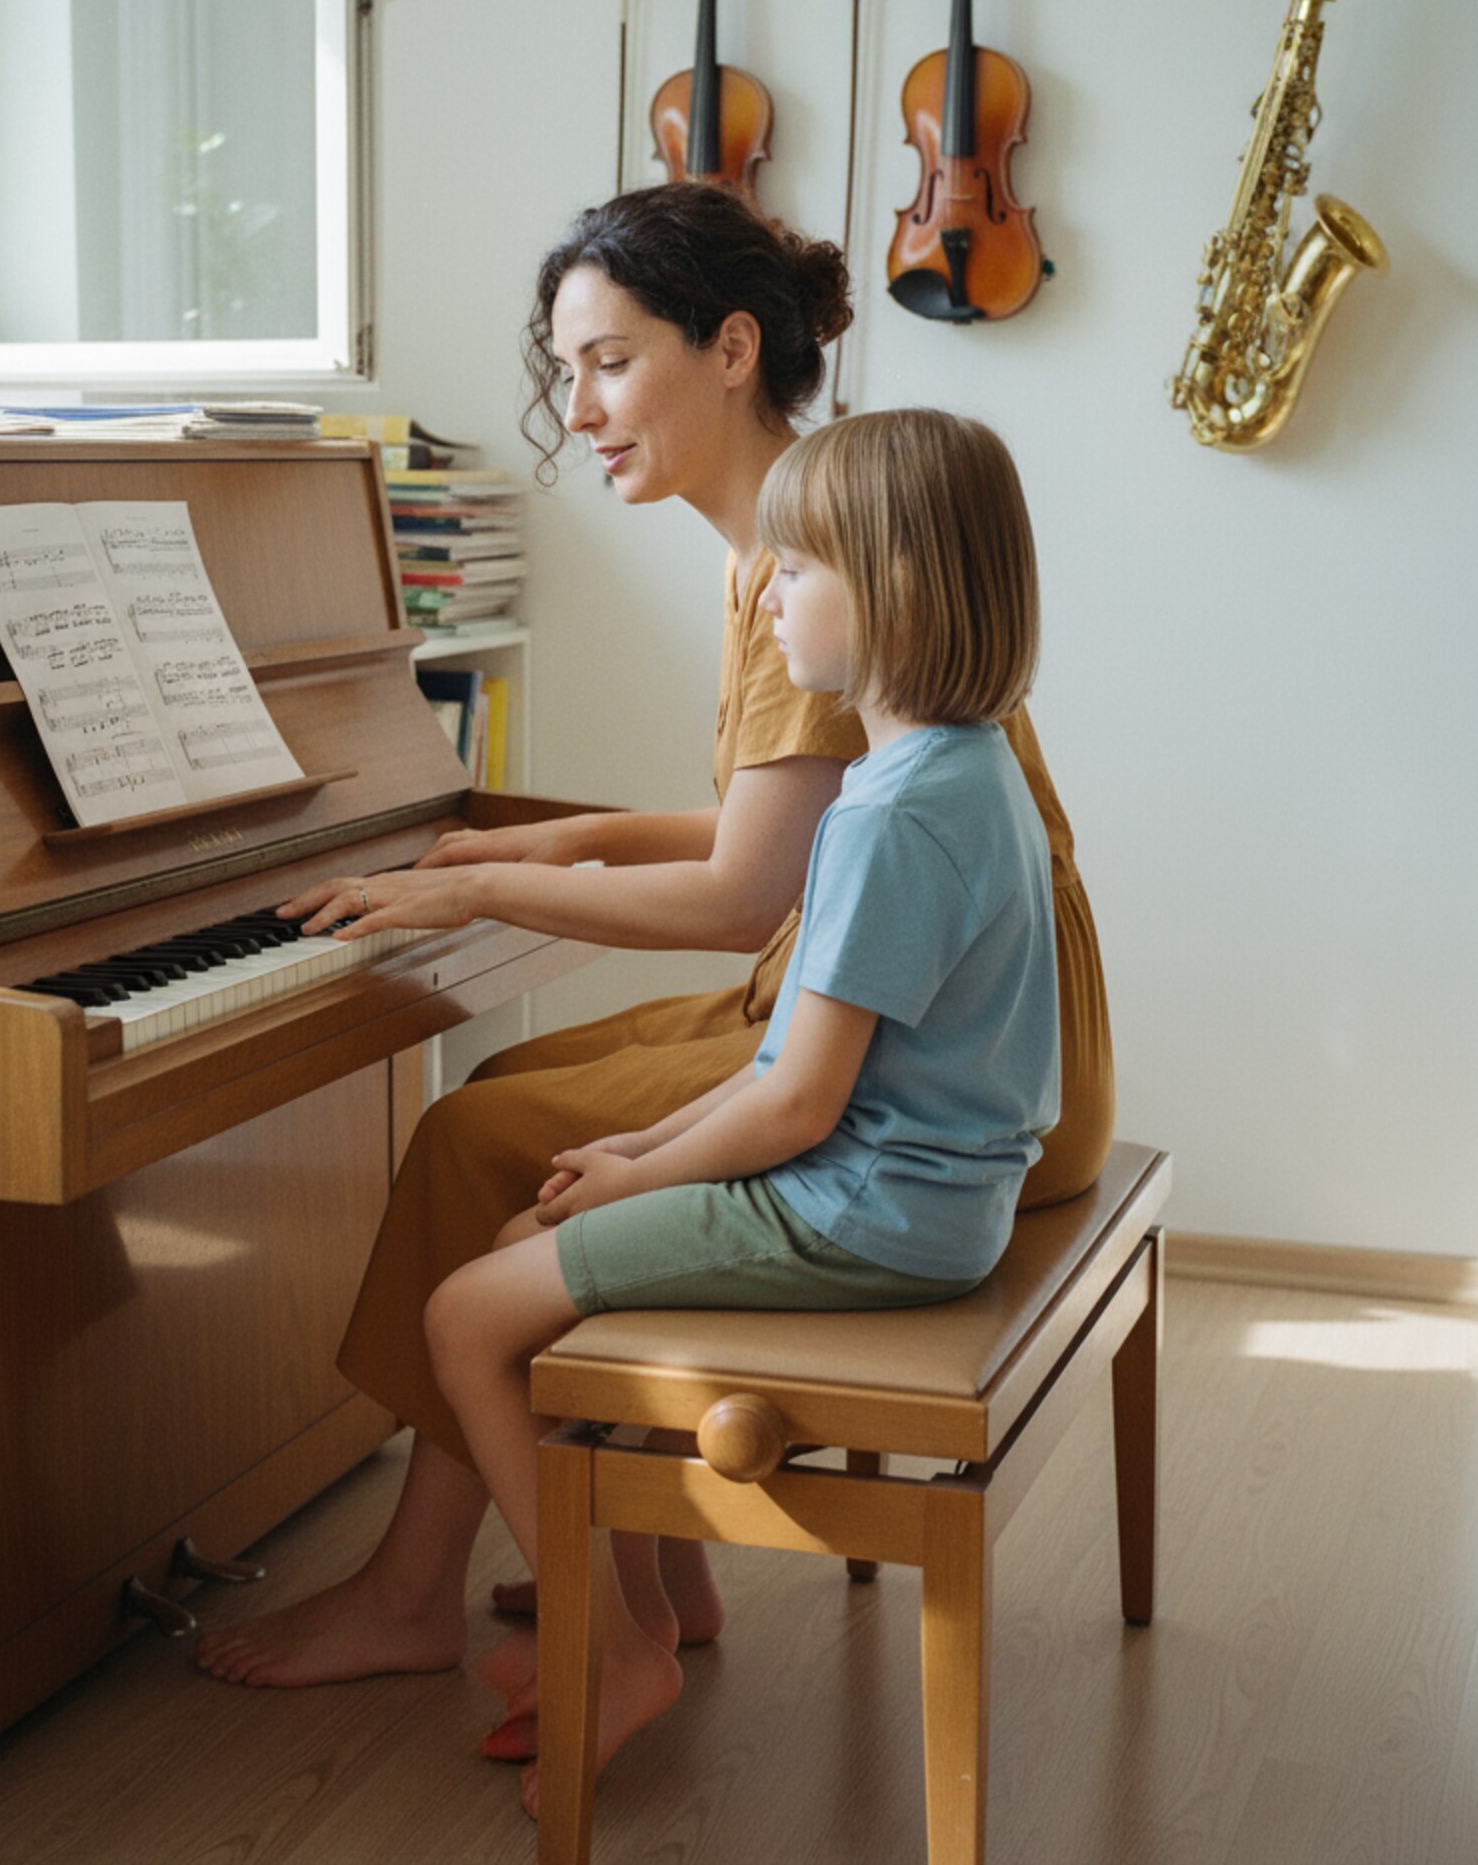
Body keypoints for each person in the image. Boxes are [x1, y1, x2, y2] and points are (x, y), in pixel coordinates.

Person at [194, 183, 1113, 1692]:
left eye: (610, 362)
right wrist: (564, 837)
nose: (582, 407)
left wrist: (481, 888)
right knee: (516, 1114)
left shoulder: (827, 557)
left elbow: (749, 901)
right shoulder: (826, 533)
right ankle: (654, 1574)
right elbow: (787, 845)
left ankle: (426, 1586)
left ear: (732, 347)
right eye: (568, 370)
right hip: (946, 1037)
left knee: (485, 1141)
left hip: (947, 1082)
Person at [426, 407, 1060, 1812]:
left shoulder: (892, 815)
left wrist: (644, 1180)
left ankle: (614, 1653)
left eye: (796, 569)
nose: (765, 592)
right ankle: (651, 1611)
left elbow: (794, 1106)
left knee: (471, 1314)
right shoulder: (961, 769)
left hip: (867, 1216)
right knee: (560, 1237)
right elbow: (799, 1069)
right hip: (919, 1191)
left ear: (890, 592)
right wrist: (645, 1147)